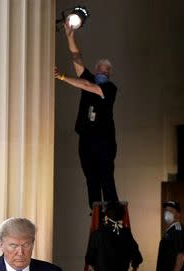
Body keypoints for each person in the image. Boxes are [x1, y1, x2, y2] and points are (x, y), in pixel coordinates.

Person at [55, 24, 118, 208]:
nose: (102, 72)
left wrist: (63, 77)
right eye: (100, 69)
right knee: (91, 177)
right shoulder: (89, 77)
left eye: (105, 70)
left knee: (106, 175)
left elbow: (89, 86)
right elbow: (77, 58)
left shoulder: (109, 88)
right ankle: (95, 211)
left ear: (109, 74)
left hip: (103, 139)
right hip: (86, 137)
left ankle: (113, 211)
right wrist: (69, 36)